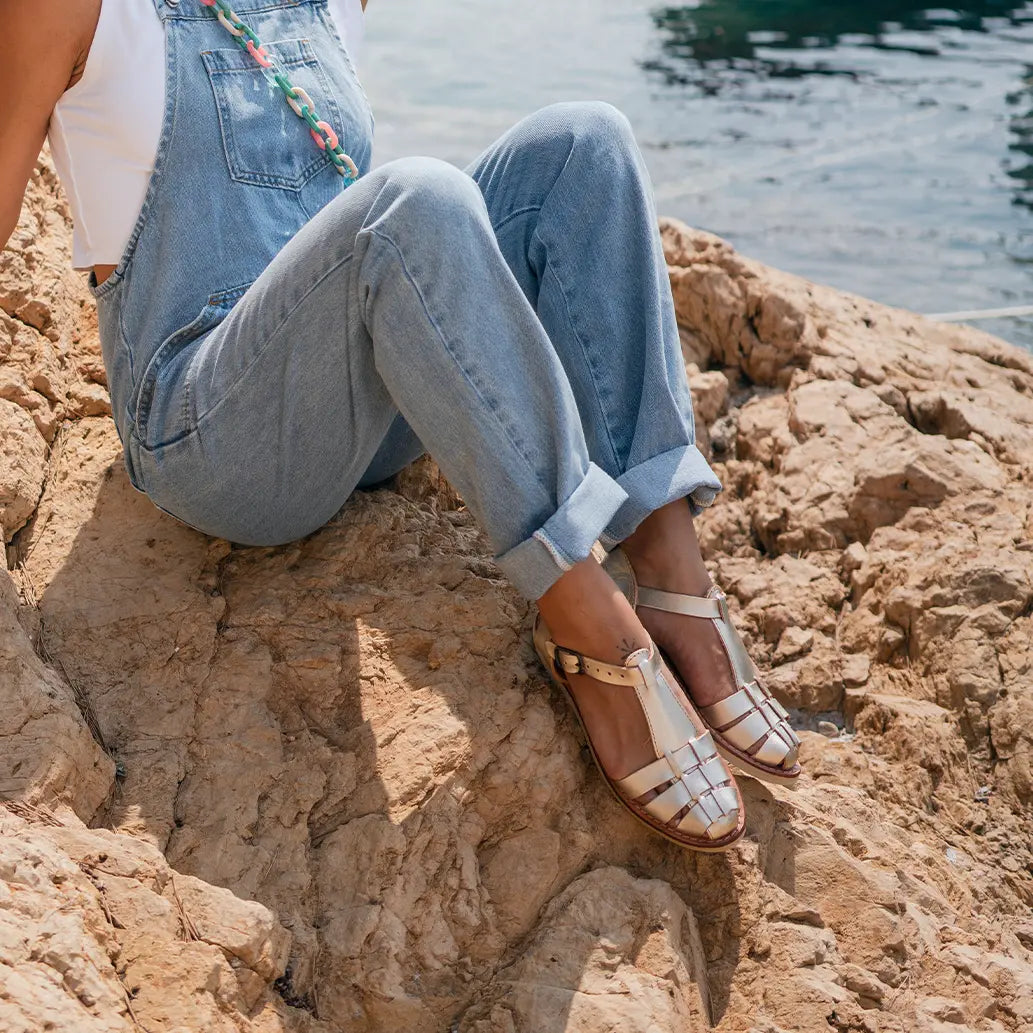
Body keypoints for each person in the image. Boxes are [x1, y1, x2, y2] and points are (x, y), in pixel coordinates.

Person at [1, 0, 801, 852]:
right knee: (412, 197)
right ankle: (585, 617)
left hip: (369, 407)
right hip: (215, 434)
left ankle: (672, 572)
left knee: (582, 143)